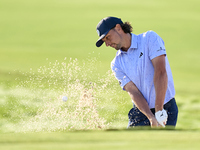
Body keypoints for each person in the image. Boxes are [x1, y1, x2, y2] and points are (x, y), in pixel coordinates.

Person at [95, 17, 178, 128]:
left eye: (108, 38)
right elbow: (133, 92)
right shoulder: (116, 64)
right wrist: (150, 117)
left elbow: (161, 72)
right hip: (141, 112)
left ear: (118, 28)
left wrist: (159, 111)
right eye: (105, 41)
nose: (107, 44)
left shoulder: (149, 38)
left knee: (161, 144)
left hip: (165, 107)